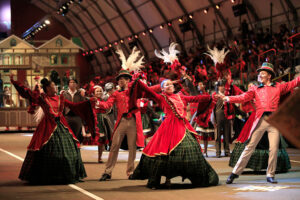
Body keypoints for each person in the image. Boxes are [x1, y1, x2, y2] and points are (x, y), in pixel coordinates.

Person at [218, 62, 300, 184]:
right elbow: (243, 97)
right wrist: (228, 98)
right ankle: (235, 173)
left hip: (274, 121)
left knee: (273, 149)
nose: (259, 75)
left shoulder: (278, 87)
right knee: (249, 147)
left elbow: (293, 83)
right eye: (259, 73)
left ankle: (270, 175)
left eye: (262, 73)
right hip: (260, 121)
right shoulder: (255, 88)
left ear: (269, 76)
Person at [129, 79, 219, 189]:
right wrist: (138, 81)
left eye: (171, 84)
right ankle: (161, 179)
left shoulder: (180, 96)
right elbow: (149, 92)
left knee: (190, 148)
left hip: (183, 126)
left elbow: (195, 98)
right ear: (162, 88)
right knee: (163, 153)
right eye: (167, 85)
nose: (170, 86)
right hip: (168, 127)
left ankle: (197, 178)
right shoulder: (161, 97)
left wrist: (210, 97)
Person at [10, 75, 97, 184]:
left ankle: (71, 174)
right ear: (47, 88)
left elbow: (74, 106)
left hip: (61, 125)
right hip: (47, 126)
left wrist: (89, 102)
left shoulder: (60, 98)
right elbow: (28, 93)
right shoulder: (42, 98)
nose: (55, 87)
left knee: (71, 150)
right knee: (45, 151)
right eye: (52, 86)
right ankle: (46, 177)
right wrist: (15, 82)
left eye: (55, 86)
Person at [92, 85, 113, 163]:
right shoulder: (91, 100)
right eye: (97, 91)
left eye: (100, 91)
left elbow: (108, 109)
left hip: (103, 121)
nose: (99, 92)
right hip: (95, 120)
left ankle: (99, 157)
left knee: (102, 140)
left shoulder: (104, 100)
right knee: (96, 139)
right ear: (94, 93)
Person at [63, 78, 87, 143]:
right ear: (68, 84)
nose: (72, 84)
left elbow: (83, 105)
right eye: (71, 82)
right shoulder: (64, 94)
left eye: (74, 82)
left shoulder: (80, 93)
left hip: (77, 116)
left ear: (76, 84)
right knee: (68, 132)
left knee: (77, 133)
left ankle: (76, 146)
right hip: (67, 116)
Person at [213, 80, 231, 157]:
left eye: (223, 86)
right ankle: (218, 152)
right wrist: (214, 119)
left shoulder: (227, 95)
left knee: (227, 135)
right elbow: (212, 108)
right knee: (218, 135)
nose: (222, 87)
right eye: (220, 86)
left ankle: (227, 151)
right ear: (218, 87)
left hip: (226, 117)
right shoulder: (215, 95)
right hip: (218, 116)